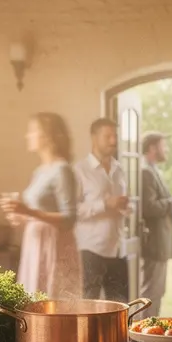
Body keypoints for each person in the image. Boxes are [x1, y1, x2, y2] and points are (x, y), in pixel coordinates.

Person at [1, 113, 81, 298]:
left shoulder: (62, 170)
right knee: (33, 299)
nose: (27, 136)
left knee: (51, 300)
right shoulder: (39, 171)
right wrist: (21, 216)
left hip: (54, 244)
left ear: (48, 136)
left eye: (32, 131)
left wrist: (28, 211)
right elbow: (37, 214)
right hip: (35, 244)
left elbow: (70, 219)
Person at [73, 118, 129, 301]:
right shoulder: (79, 170)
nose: (113, 141)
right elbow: (72, 211)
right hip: (90, 250)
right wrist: (105, 204)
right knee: (88, 310)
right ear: (94, 138)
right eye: (108, 136)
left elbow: (119, 205)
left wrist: (125, 208)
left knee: (121, 309)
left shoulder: (119, 169)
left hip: (117, 249)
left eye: (115, 136)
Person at [139, 132, 172, 316]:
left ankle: (150, 336)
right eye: (163, 145)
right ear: (152, 148)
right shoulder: (145, 172)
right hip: (153, 243)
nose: (167, 149)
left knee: (157, 293)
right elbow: (149, 208)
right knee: (151, 294)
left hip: (159, 243)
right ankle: (144, 337)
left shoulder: (153, 170)